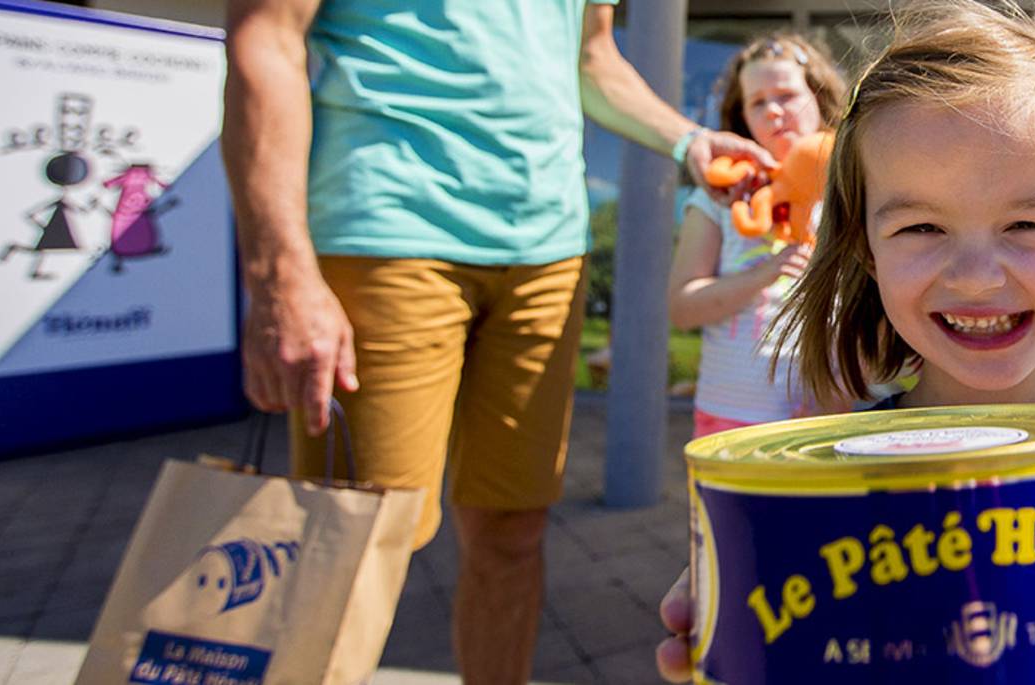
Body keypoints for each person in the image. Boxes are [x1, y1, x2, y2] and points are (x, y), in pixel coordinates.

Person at [654, 2, 1035, 681]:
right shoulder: (828, 488)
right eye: (921, 229)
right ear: (867, 252)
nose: (974, 278)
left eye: (1027, 223)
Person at [222, 1, 772, 681]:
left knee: (513, 533)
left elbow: (592, 57)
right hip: (386, 231)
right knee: (358, 541)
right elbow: (266, 39)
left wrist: (689, 140)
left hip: (547, 250)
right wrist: (279, 274)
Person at [668, 34, 848, 437]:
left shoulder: (853, 192)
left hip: (829, 417)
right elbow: (682, 310)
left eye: (786, 95)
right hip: (729, 417)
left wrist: (836, 397)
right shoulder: (717, 197)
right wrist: (766, 273)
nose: (773, 112)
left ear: (818, 97)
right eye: (758, 102)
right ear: (742, 117)